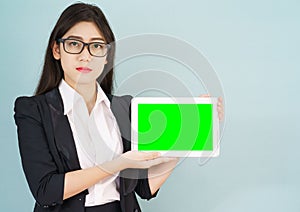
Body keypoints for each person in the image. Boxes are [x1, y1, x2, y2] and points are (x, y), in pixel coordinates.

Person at [14, 2, 224, 212]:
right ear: (56, 50)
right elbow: (45, 190)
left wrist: (189, 132)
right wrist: (117, 164)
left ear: (106, 56)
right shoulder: (33, 111)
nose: (85, 55)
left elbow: (143, 188)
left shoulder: (125, 107)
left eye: (96, 46)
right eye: (74, 43)